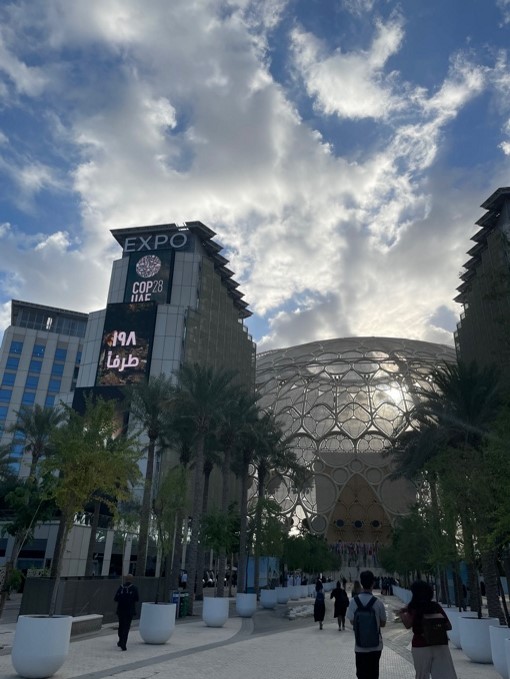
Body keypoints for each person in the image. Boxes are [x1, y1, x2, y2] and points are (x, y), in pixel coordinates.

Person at [397, 580, 457, 679]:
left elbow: (408, 625)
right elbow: (449, 626)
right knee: (444, 675)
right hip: (440, 644)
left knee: (422, 676)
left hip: (420, 646)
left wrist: (401, 614)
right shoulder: (435, 606)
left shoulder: (413, 607)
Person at [347, 570, 386, 679]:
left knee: (361, 675)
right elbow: (383, 624)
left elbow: (351, 621)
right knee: (374, 674)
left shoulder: (354, 602)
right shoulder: (378, 603)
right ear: (373, 583)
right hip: (376, 646)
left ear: (361, 583)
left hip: (360, 646)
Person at [114, 573, 139, 651]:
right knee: (126, 627)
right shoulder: (134, 588)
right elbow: (137, 598)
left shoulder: (121, 588)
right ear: (132, 580)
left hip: (120, 610)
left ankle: (120, 640)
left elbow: (115, 598)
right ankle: (123, 643)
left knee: (121, 625)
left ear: (125, 579)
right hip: (129, 611)